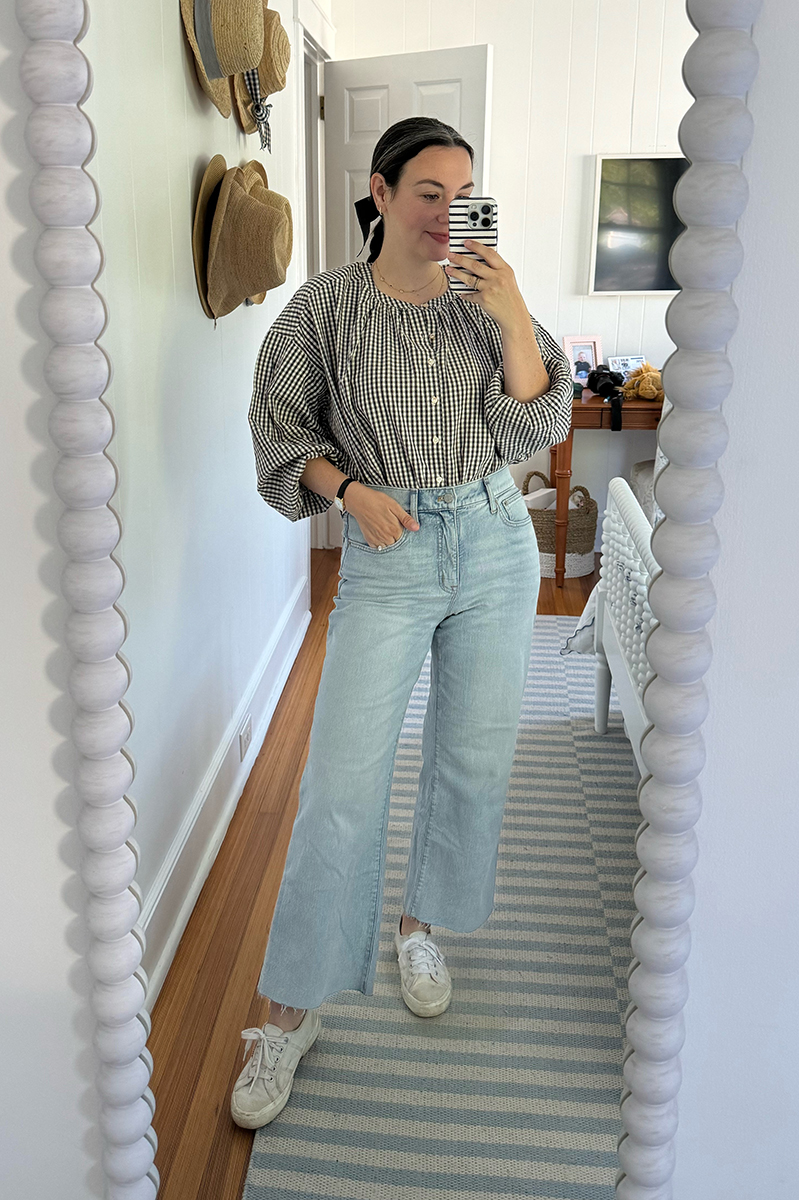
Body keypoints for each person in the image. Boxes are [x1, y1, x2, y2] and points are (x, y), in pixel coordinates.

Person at [230, 117, 573, 1130]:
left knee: (470, 761)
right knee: (340, 785)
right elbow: (278, 428)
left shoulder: (488, 301)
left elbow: (538, 421)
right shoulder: (322, 310)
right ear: (379, 194)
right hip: (387, 548)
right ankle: (288, 1015)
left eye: (462, 193)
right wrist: (348, 491)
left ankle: (419, 925)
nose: (445, 213)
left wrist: (510, 312)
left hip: (495, 540)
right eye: (427, 191)